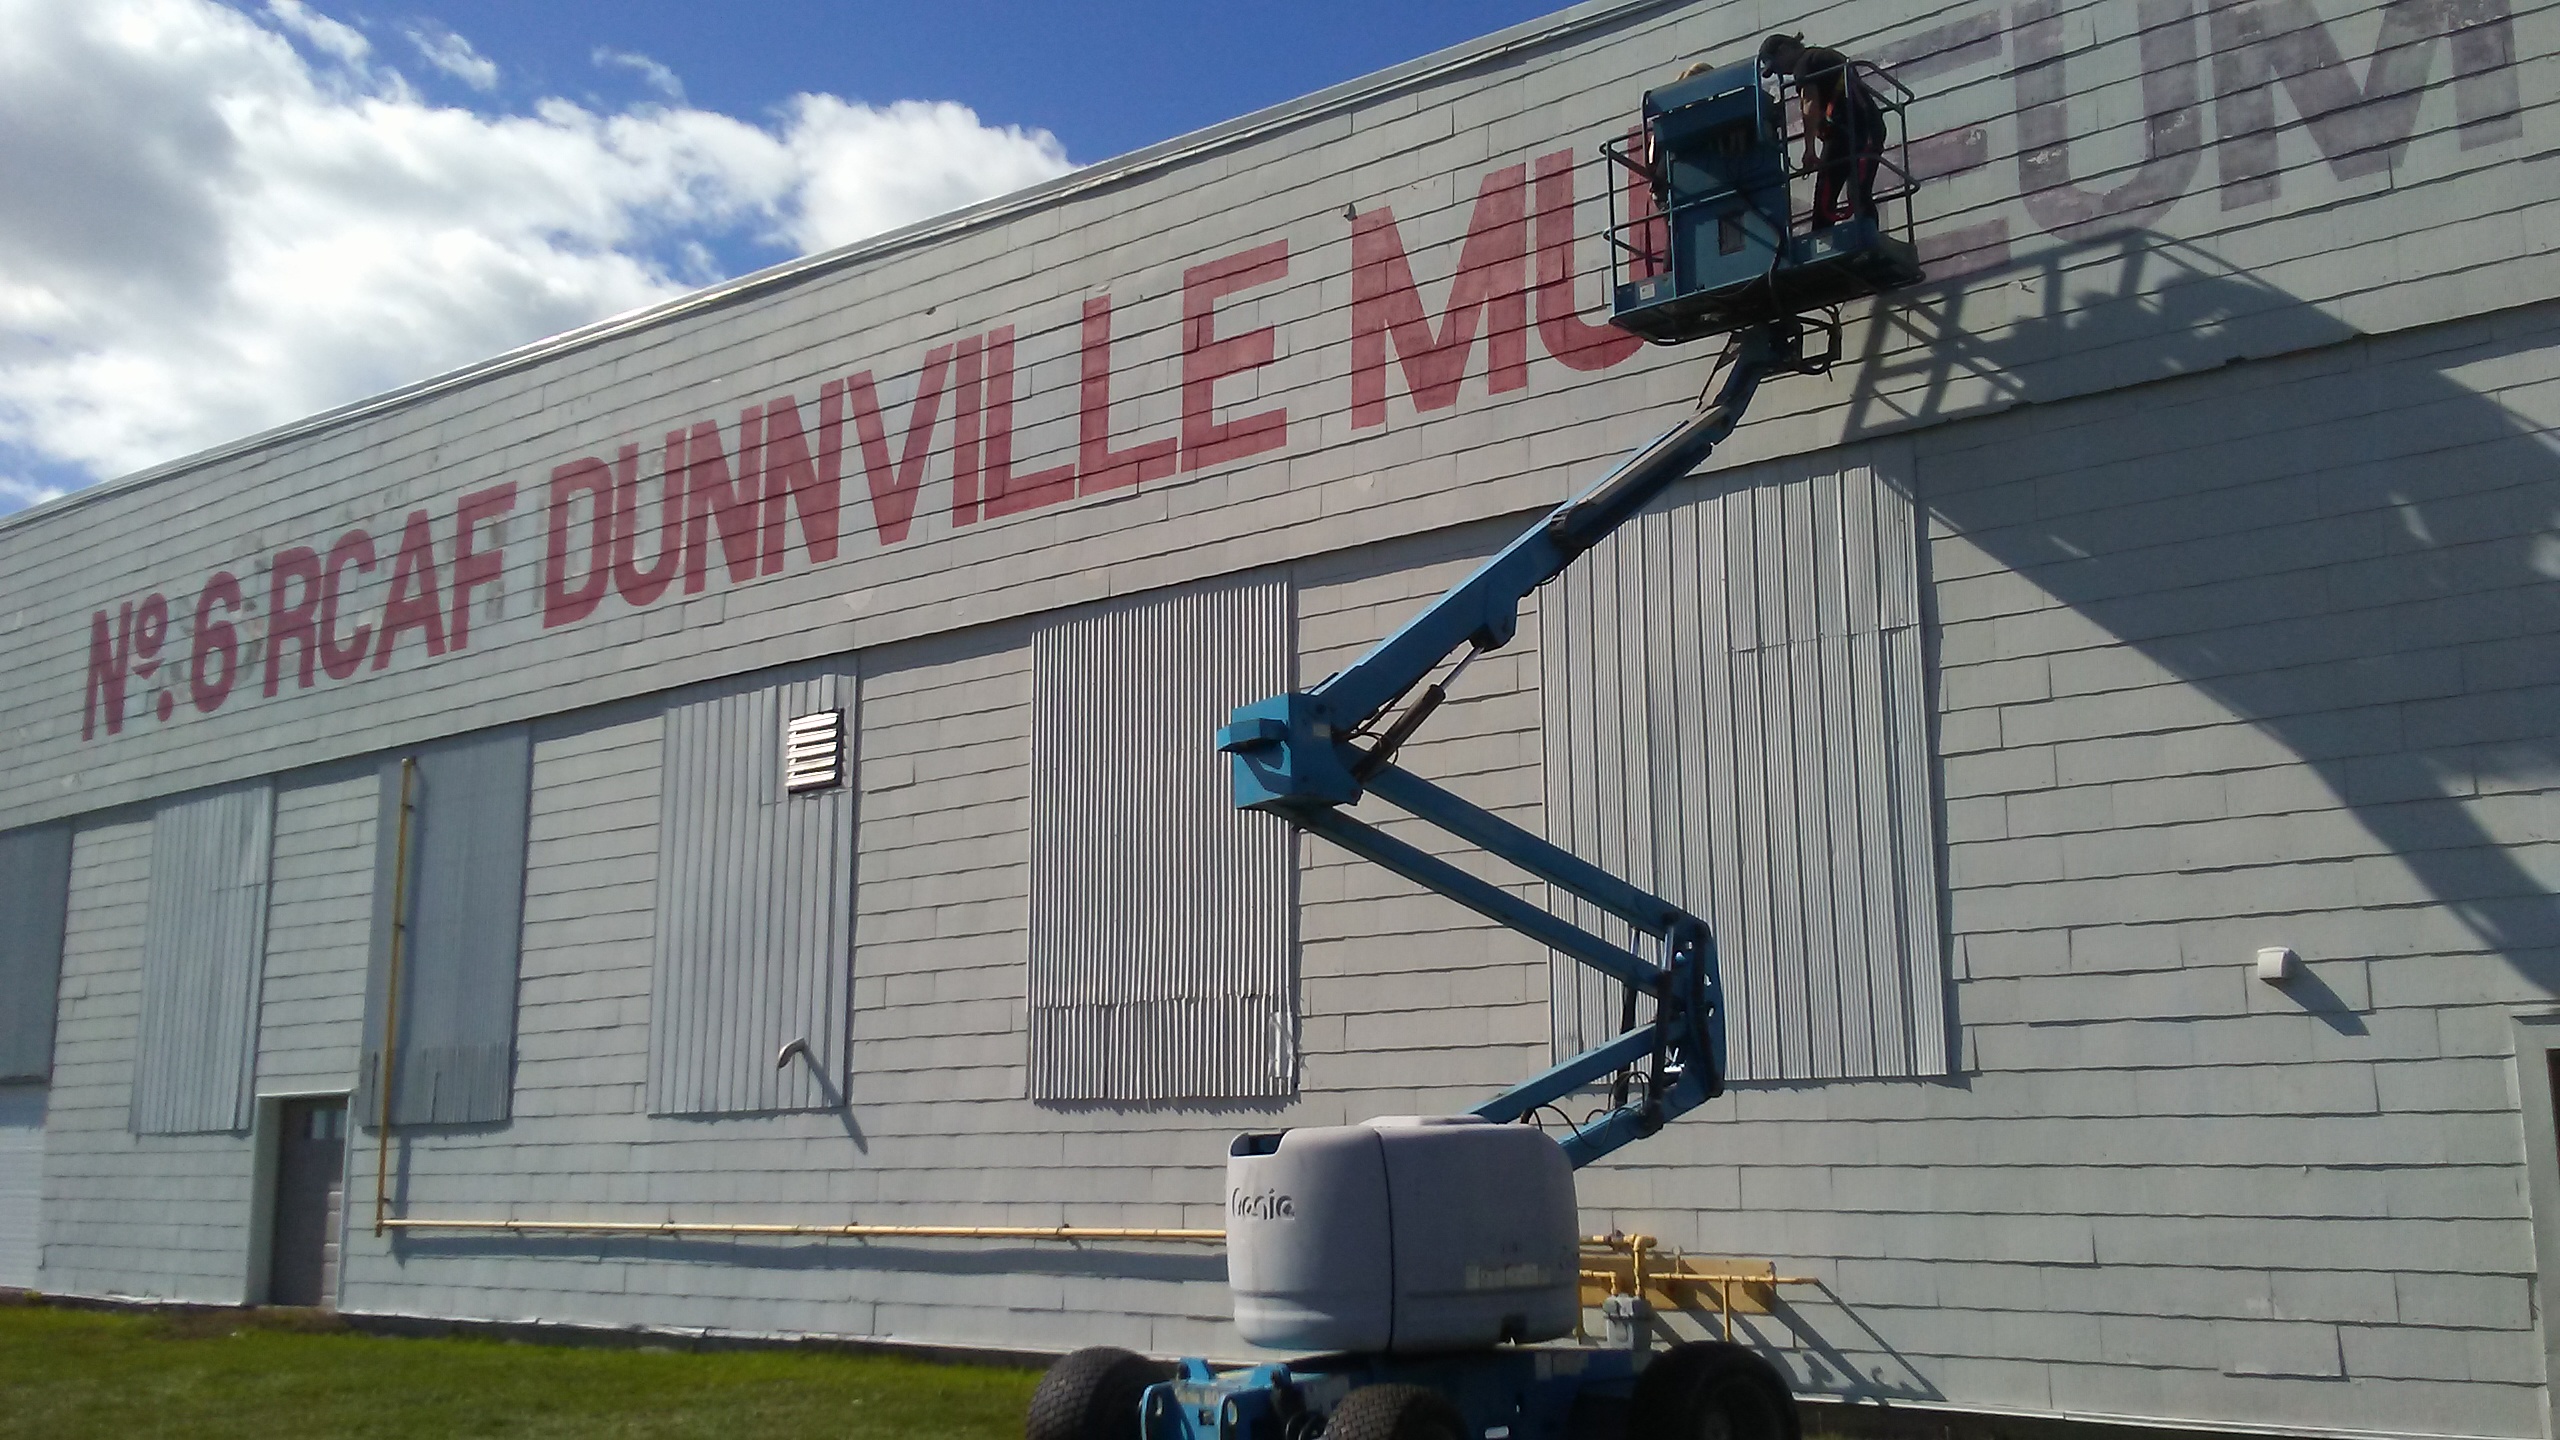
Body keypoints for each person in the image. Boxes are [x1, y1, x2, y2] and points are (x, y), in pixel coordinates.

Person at [1758, 32, 1884, 230]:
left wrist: (1809, 150)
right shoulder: (1825, 56)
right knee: (1858, 192)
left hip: (1851, 129)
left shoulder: (1805, 62)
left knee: (1828, 197)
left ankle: (1825, 241)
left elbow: (1810, 103)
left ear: (1783, 50)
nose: (1781, 73)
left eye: (1777, 66)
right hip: (1866, 127)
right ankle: (1865, 237)